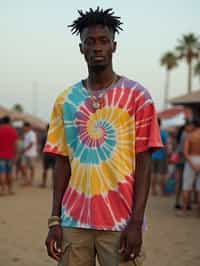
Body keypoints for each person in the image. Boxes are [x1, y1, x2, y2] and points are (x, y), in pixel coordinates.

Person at [44, 7, 162, 266]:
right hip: (73, 220)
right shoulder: (66, 100)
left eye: (103, 41)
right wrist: (55, 220)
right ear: (81, 48)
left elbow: (144, 161)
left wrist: (137, 221)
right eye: (90, 42)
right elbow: (61, 162)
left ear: (114, 46)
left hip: (120, 223)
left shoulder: (137, 96)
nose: (97, 47)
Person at [182, 118, 200, 216]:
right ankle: (198, 212)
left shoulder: (190, 136)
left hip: (191, 160)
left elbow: (185, 152)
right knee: (199, 189)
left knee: (186, 187)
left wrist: (192, 164)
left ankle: (184, 210)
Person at [0, 116, 18, 195]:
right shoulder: (13, 131)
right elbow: (15, 144)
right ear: (9, 121)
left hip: (1, 155)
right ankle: (10, 190)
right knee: (10, 173)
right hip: (10, 155)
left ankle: (3, 190)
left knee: (2, 173)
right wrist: (16, 155)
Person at [151, 118, 168, 196]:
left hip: (152, 155)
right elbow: (165, 146)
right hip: (161, 156)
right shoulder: (163, 133)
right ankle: (162, 191)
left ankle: (153, 190)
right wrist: (167, 155)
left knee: (153, 174)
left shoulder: (151, 133)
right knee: (161, 174)